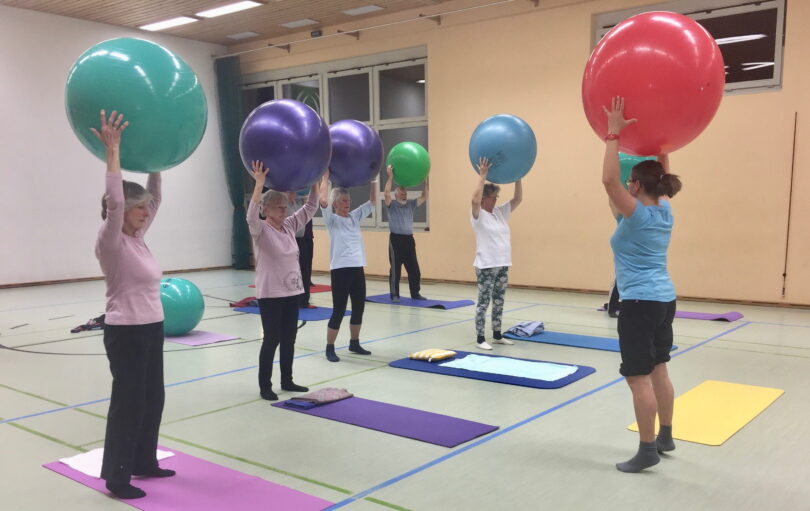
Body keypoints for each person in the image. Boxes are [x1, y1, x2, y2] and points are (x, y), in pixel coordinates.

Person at [93, 110, 174, 500]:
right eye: (139, 207)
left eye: (145, 207)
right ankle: (117, 475)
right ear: (121, 210)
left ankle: (144, 460)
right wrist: (114, 151)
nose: (147, 211)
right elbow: (114, 199)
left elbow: (156, 196)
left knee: (153, 397)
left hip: (152, 326)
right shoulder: (111, 241)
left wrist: (157, 162)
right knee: (128, 402)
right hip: (125, 331)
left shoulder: (138, 238)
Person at [601, 96, 682, 473]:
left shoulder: (635, 214)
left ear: (635, 185)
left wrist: (613, 133)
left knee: (638, 378)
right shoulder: (664, 208)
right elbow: (660, 169)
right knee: (660, 369)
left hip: (638, 304)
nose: (625, 184)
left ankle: (647, 449)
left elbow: (608, 180)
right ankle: (665, 436)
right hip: (665, 300)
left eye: (630, 180)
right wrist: (658, 139)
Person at [248, 161, 318, 400]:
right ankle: (265, 386)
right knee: (272, 339)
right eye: (279, 208)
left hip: (291, 292)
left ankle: (287, 380)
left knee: (290, 338)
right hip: (270, 294)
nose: (284, 211)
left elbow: (311, 206)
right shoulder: (260, 229)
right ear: (266, 210)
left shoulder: (289, 226)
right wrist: (259, 184)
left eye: (285, 207)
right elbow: (250, 215)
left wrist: (314, 181)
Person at [318, 170, 376, 362]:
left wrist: (373, 179)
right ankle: (330, 347)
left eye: (348, 200)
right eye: (344, 201)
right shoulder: (331, 220)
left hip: (357, 267)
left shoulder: (354, 217)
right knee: (339, 310)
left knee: (359, 307)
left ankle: (354, 342)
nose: (348, 203)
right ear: (335, 203)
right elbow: (323, 200)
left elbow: (373, 202)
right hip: (340, 270)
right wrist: (325, 178)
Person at [470, 157, 523, 350]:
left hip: (502, 263)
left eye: (496, 198)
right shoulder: (478, 215)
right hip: (486, 265)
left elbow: (518, 199)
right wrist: (482, 175)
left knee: (499, 301)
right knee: (483, 303)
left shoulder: (500, 213)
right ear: (485, 198)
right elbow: (474, 199)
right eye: (493, 198)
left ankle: (497, 335)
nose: (495, 200)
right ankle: (480, 339)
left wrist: (518, 177)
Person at [383, 164, 428, 302]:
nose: (404, 196)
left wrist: (425, 180)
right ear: (396, 195)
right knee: (395, 270)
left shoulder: (411, 205)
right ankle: (394, 295)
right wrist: (390, 177)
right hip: (396, 240)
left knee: (414, 269)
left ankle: (415, 293)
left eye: (405, 194)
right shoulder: (391, 205)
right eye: (402, 194)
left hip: (409, 240)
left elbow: (425, 196)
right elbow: (386, 193)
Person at [285, 191, 316, 308]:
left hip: (304, 239)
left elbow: (312, 205)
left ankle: (303, 299)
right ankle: (293, 298)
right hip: (290, 240)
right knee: (293, 271)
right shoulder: (284, 204)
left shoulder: (301, 201)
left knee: (305, 270)